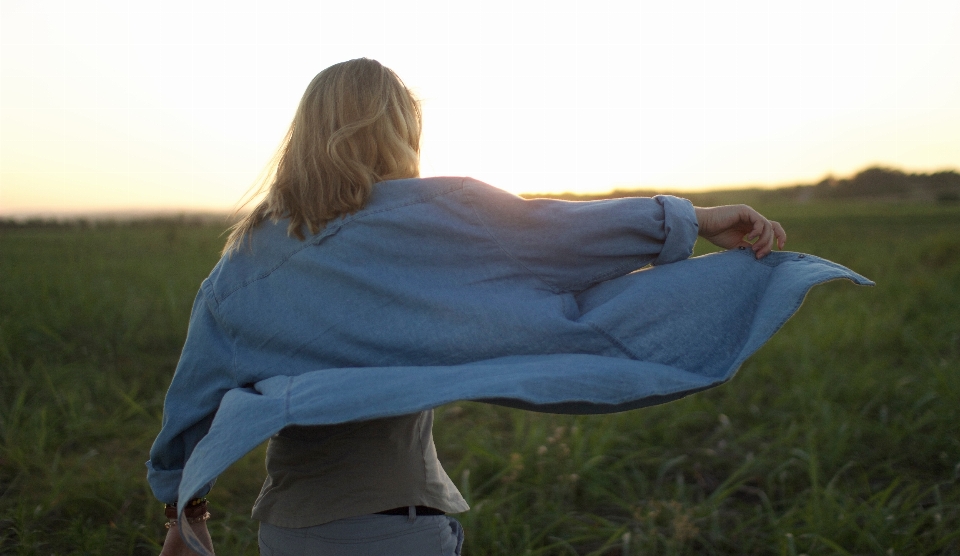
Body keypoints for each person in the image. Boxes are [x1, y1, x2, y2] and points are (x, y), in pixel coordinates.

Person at [148, 58, 870, 556]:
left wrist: (184, 515)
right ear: (398, 132)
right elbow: (557, 232)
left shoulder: (239, 268)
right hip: (395, 530)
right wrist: (693, 220)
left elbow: (189, 409)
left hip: (289, 530)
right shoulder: (436, 216)